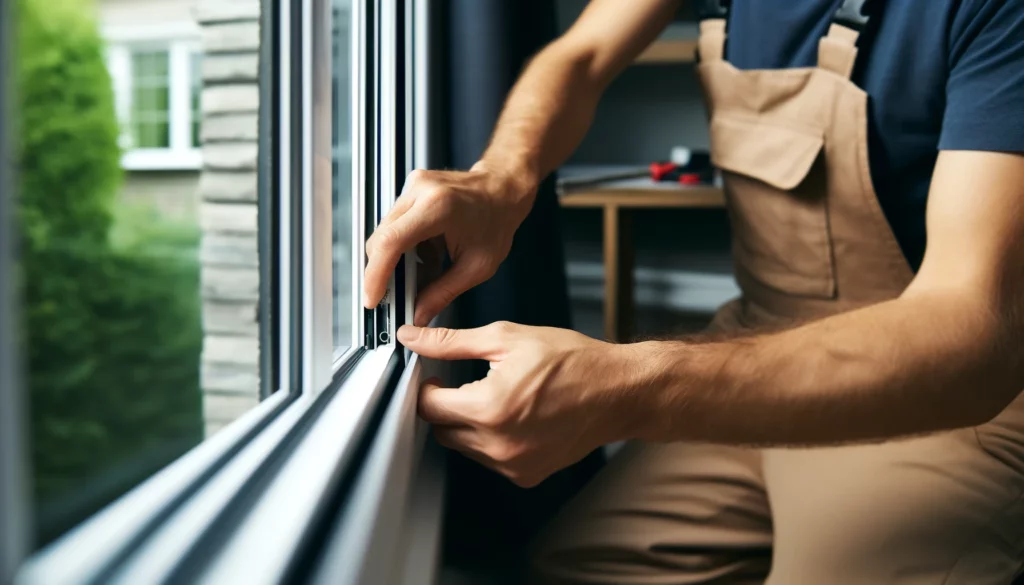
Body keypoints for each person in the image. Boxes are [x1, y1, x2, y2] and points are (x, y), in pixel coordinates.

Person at [364, 0, 1024, 582]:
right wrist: (503, 177)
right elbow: (583, 53)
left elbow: (974, 330)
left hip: (929, 385)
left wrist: (636, 387)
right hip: (756, 336)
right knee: (579, 566)